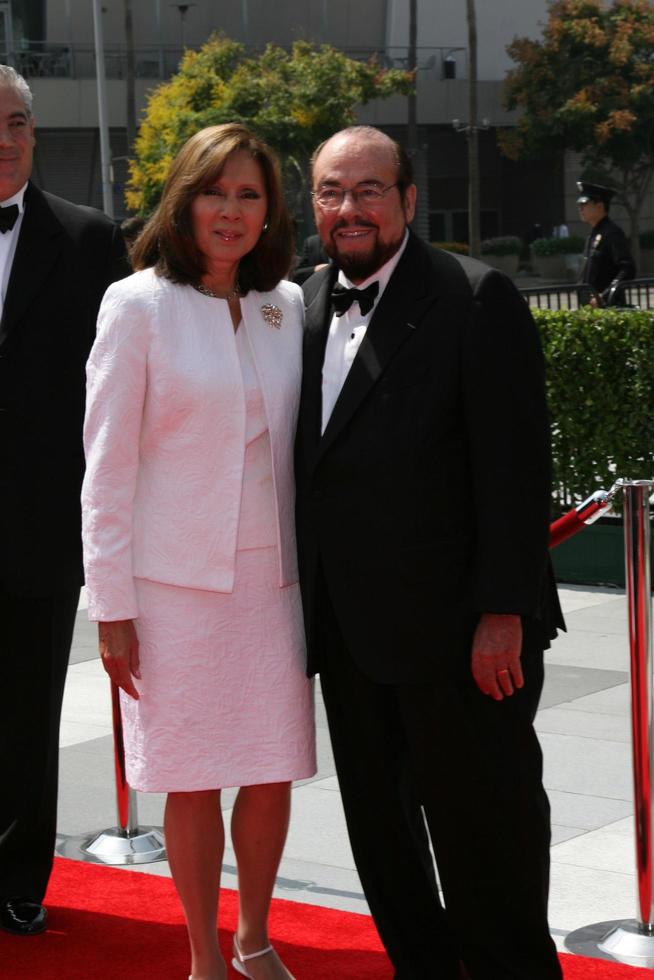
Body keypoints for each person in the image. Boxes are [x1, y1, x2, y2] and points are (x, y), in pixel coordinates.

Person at [295, 125, 565, 979]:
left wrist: (502, 614)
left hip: (459, 636)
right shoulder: (298, 302)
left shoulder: (472, 296)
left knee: (488, 832)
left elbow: (517, 472)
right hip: (346, 631)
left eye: (370, 189)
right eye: (333, 191)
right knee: (382, 838)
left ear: (409, 200)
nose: (350, 208)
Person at [82, 123, 315, 980]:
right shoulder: (135, 304)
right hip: (172, 586)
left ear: (269, 212)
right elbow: (103, 468)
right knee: (189, 775)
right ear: (184, 199)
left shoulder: (284, 306)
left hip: (272, 580)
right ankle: (203, 957)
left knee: (268, 769)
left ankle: (255, 942)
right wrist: (112, 606)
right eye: (215, 191)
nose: (231, 210)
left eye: (249, 194)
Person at [0, 66, 126, 937]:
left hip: (39, 526)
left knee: (25, 712)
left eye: (15, 121)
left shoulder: (88, 241)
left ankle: (17, 876)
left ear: (34, 134)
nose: (3, 138)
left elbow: (113, 394)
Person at [577, 181, 635, 305]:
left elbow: (627, 269)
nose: (580, 208)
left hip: (608, 309)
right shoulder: (593, 234)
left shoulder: (612, 233)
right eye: (579, 204)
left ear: (600, 206)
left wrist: (604, 296)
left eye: (585, 204)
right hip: (590, 309)